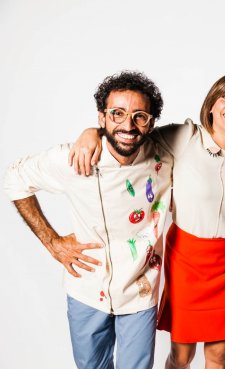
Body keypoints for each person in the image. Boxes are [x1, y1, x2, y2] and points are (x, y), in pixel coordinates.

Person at [70, 72, 225, 369]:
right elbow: (131, 134)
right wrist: (91, 132)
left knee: (219, 356)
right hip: (188, 258)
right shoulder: (185, 137)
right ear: (212, 104)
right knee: (182, 356)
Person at [3, 71, 173, 369]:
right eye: (117, 114)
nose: (127, 125)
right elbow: (15, 179)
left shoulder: (167, 153)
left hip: (140, 289)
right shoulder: (74, 158)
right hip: (86, 289)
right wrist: (51, 241)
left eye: (140, 116)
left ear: (152, 122)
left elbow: (214, 135)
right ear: (102, 117)